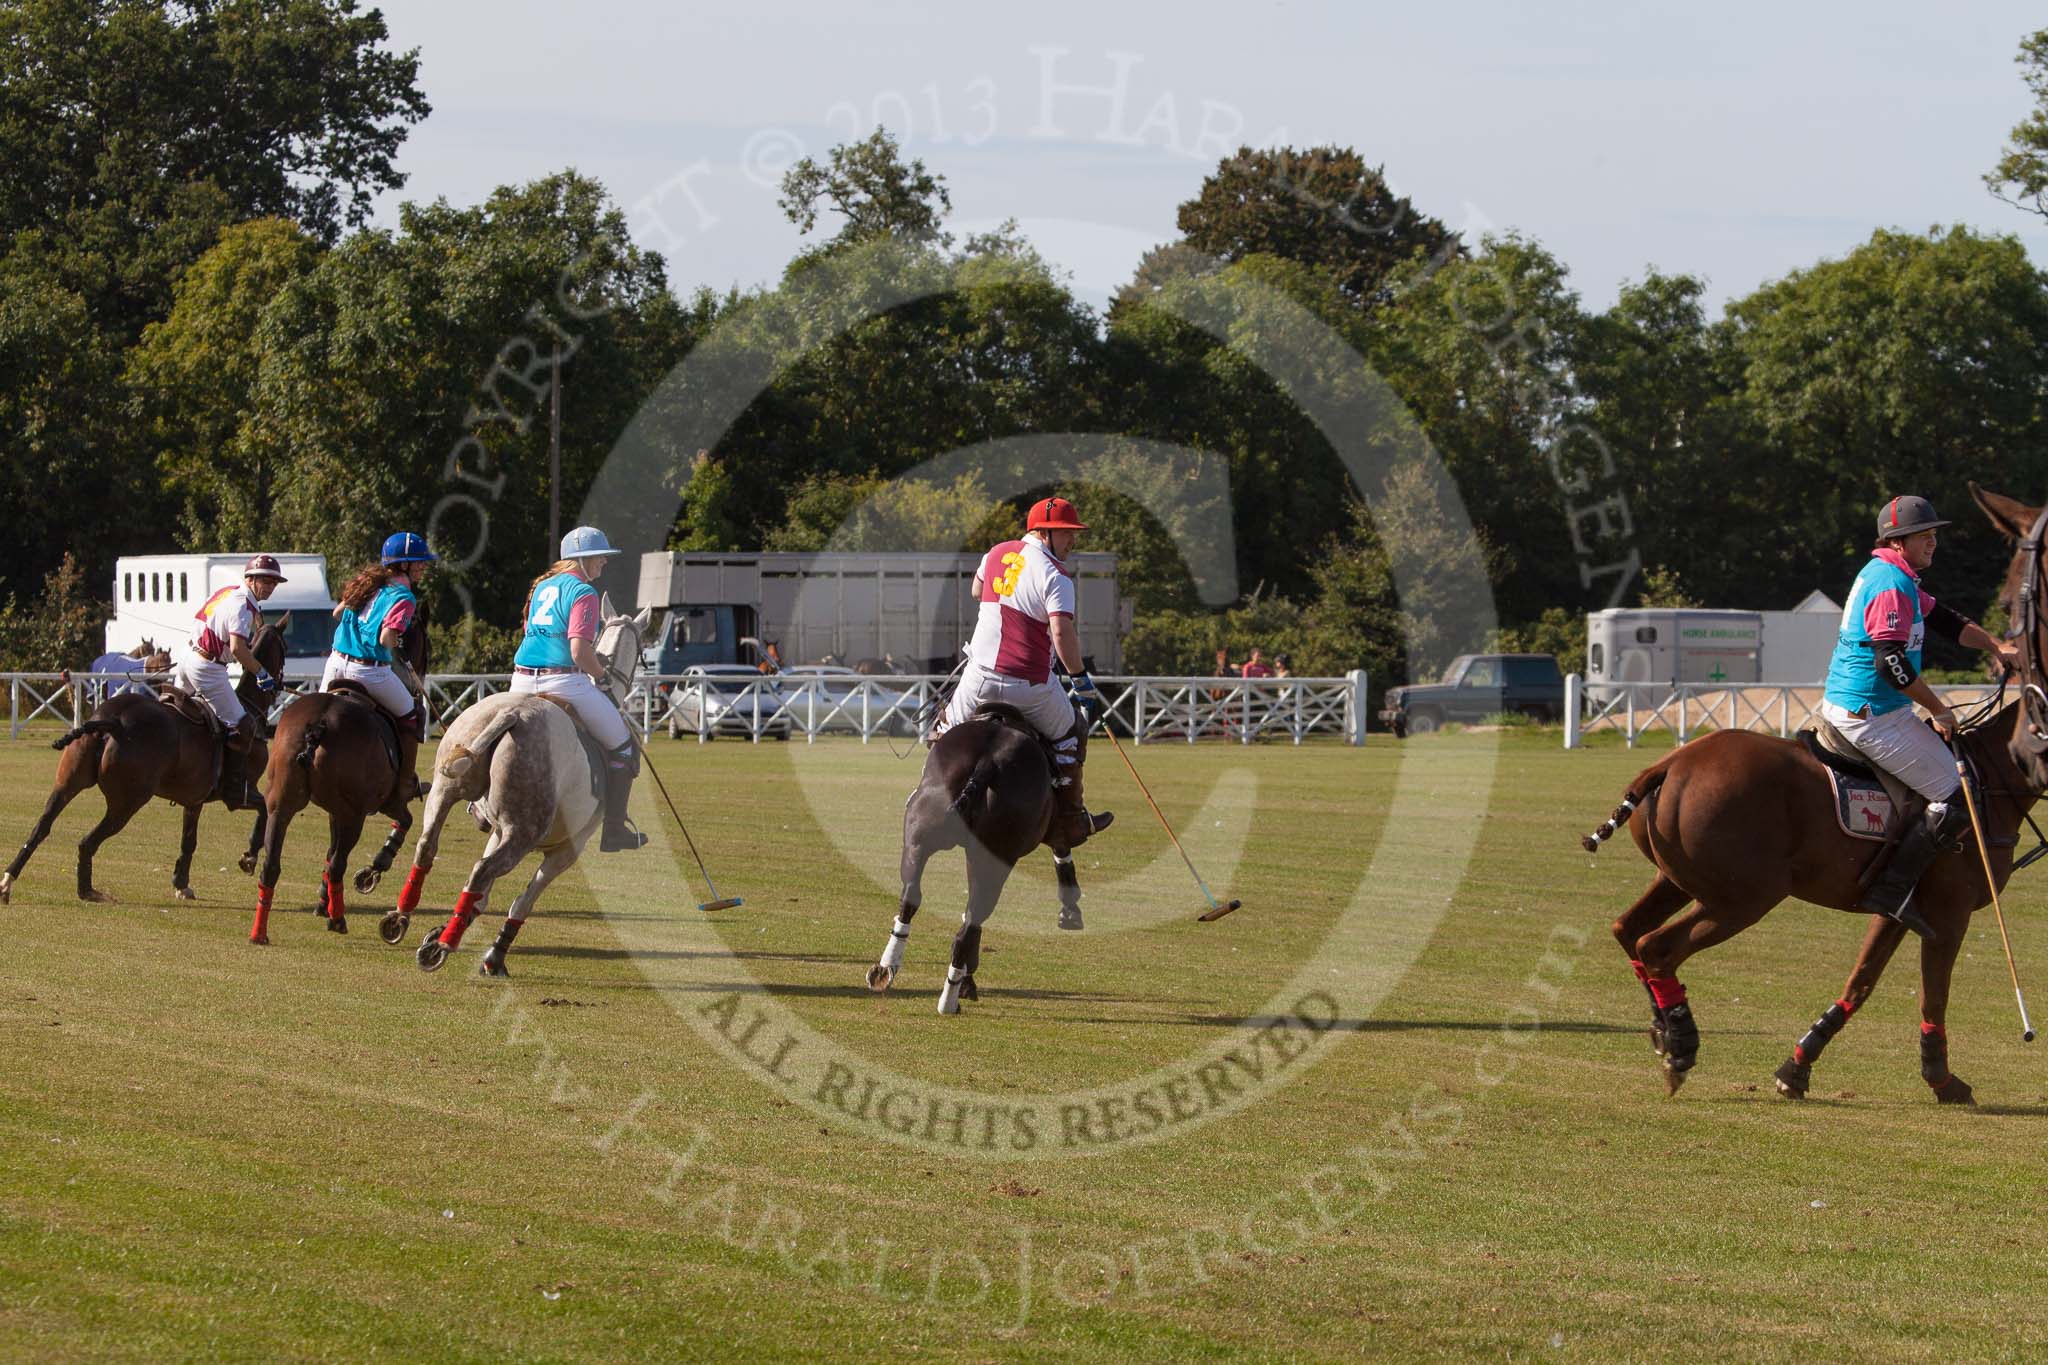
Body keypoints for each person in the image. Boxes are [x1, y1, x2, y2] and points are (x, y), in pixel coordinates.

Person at [1821, 495, 2018, 936]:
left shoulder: (1900, 578)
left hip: (1877, 709)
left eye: (1934, 535)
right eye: (1925, 535)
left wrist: (1996, 646)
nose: (1933, 542)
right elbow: (1890, 663)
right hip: (1870, 714)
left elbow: (1945, 620)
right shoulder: (1889, 584)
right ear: (1898, 539)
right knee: (1955, 792)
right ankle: (1891, 893)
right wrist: (1940, 709)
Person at [938, 496, 1114, 846]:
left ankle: (925, 798)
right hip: (1029, 686)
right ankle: (1072, 820)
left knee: (943, 731)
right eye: (1066, 534)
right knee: (1071, 735)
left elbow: (976, 590)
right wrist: (1082, 683)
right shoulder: (1056, 575)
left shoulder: (996, 552)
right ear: (1043, 532)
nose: (1072, 541)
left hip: (979, 679)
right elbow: (1061, 634)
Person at [511, 526, 645, 852]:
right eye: (600, 557)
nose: (604, 563)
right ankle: (613, 830)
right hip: (564, 681)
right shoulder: (583, 592)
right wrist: (599, 675)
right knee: (625, 745)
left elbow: (532, 631)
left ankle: (479, 802)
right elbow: (578, 652)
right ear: (582, 560)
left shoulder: (542, 587)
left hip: (521, 681)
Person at [325, 532, 435, 797]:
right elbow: (387, 639)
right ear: (404, 565)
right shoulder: (405, 598)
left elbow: (337, 613)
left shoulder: (367, 582)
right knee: (412, 715)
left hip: (335, 663)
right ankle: (405, 783)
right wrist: (398, 644)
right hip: (369, 671)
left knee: (319, 721)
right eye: (419, 562)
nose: (423, 567)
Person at [171, 555, 285, 808]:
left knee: (175, 712)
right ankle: (234, 788)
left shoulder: (227, 592)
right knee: (243, 725)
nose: (270, 587)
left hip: (187, 656)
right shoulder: (243, 605)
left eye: (274, 582)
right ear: (250, 579)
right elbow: (238, 649)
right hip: (207, 668)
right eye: (265, 581)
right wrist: (262, 673)